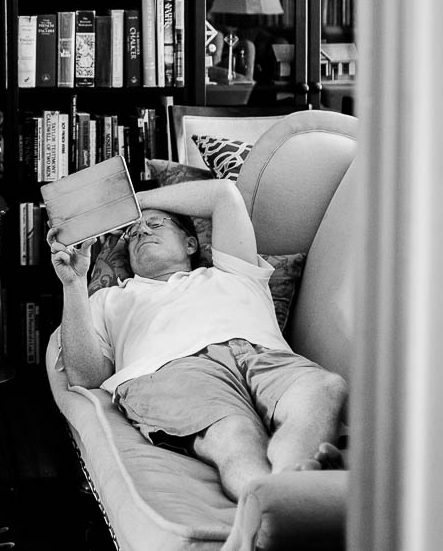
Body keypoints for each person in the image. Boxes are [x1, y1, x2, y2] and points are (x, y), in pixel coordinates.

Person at [48, 178, 347, 502]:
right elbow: (84, 378)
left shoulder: (234, 270)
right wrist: (74, 284)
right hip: (170, 370)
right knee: (235, 433)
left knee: (324, 387)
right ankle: (279, 503)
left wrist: (129, 207)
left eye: (154, 224)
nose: (140, 233)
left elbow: (223, 194)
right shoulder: (108, 299)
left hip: (260, 355)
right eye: (130, 233)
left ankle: (289, 488)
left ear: (190, 243)